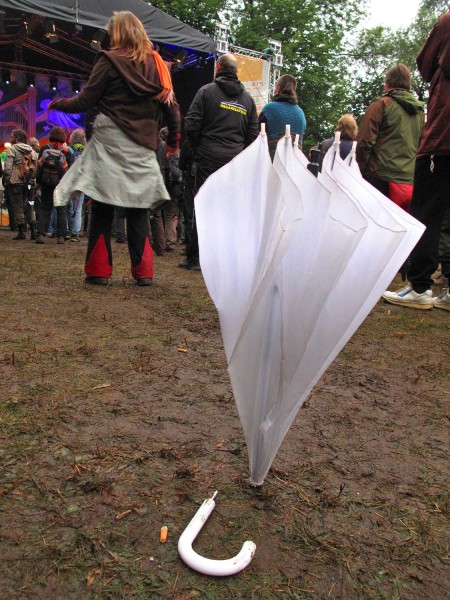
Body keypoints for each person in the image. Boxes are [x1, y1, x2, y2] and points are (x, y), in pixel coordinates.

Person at [49, 10, 180, 286]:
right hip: (143, 144)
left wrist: (57, 103)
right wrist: (173, 142)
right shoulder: (158, 66)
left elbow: (85, 101)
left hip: (109, 141)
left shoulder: (108, 61)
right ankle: (143, 274)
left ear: (118, 32)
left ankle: (98, 272)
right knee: (138, 208)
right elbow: (173, 110)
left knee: (102, 205)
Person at [383, 11, 450, 311]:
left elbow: (424, 63)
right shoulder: (415, 110)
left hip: (442, 138)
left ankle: (420, 285)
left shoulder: (447, 21)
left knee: (426, 213)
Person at [182, 52, 259, 271]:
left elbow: (192, 123)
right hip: (234, 162)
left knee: (204, 205)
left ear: (218, 67)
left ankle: (196, 258)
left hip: (208, 158)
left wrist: (199, 148)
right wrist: (239, 154)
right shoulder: (247, 100)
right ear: (235, 71)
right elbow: (253, 135)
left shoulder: (207, 92)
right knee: (229, 209)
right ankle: (224, 259)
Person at [356, 64, 424, 212]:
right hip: (407, 183)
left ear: (387, 83)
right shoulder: (420, 113)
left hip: (379, 178)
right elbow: (421, 145)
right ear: (409, 84)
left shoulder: (381, 105)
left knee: (373, 226)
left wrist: (360, 172)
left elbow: (364, 142)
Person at [35, 126, 71, 244]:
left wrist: (39, 181)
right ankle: (61, 236)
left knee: (45, 208)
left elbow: (39, 167)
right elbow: (66, 169)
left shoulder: (45, 148)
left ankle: (41, 235)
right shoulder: (65, 151)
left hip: (46, 182)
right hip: (60, 183)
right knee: (61, 209)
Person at [258, 73, 307, 160]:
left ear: (277, 89)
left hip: (272, 164)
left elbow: (257, 136)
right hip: (293, 166)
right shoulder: (301, 113)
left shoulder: (269, 109)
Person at [2, 129, 38, 240]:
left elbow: (8, 168)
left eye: (12, 137)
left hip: (16, 182)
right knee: (30, 206)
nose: (10, 139)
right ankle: (33, 230)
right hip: (30, 182)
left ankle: (21, 231)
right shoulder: (32, 151)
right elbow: (36, 167)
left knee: (17, 206)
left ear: (17, 138)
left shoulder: (12, 150)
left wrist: (8, 180)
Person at [66, 128, 86, 241]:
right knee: (78, 209)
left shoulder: (67, 150)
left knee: (68, 207)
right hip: (81, 183)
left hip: (69, 182)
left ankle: (67, 231)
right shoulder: (87, 151)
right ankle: (75, 233)